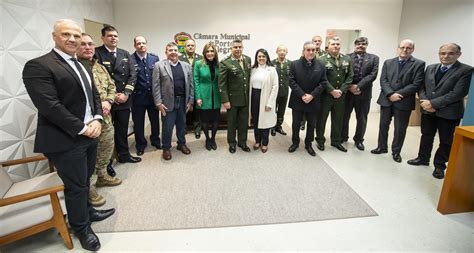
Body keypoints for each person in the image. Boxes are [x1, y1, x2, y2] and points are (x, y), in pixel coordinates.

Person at [22, 19, 115, 251]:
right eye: (66, 35)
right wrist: (83, 128)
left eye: (76, 35)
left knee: (85, 180)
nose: (72, 39)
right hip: (65, 139)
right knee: (75, 186)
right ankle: (81, 228)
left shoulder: (82, 64)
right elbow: (50, 106)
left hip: (90, 133)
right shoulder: (38, 66)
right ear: (55, 37)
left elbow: (93, 96)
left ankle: (88, 212)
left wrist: (96, 119)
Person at [407, 43, 473, 179]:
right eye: (443, 53)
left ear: (458, 54)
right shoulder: (431, 68)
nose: (446, 56)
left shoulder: (466, 70)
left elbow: (458, 93)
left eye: (450, 53)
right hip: (428, 110)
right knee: (426, 135)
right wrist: (425, 102)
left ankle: (440, 165)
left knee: (446, 140)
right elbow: (422, 87)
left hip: (449, 112)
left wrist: (433, 103)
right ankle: (423, 158)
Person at [77, 33, 122, 207]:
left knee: (106, 148)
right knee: (89, 157)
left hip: (106, 118)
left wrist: (109, 101)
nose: (88, 47)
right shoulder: (75, 68)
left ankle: (102, 175)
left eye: (90, 44)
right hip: (87, 124)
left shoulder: (99, 67)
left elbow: (112, 86)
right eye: (83, 44)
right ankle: (90, 187)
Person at [371, 39, 425, 163]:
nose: (405, 50)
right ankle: (381, 147)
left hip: (403, 101)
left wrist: (399, 94)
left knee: (400, 129)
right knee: (383, 125)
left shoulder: (419, 64)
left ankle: (396, 152)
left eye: (408, 48)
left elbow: (416, 84)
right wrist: (390, 94)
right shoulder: (388, 62)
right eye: (402, 47)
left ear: (413, 49)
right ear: (398, 48)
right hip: (387, 99)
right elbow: (383, 80)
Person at [95, 25, 140, 167]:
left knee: (122, 130)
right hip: (106, 102)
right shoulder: (96, 53)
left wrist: (126, 94)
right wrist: (112, 96)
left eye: (115, 36)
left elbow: (133, 75)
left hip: (124, 100)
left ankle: (124, 155)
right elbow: (96, 78)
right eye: (109, 36)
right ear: (103, 38)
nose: (113, 38)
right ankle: (107, 163)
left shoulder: (125, 53)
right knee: (106, 134)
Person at [152, 42, 194, 160]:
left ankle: (181, 144)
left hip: (183, 102)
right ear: (166, 52)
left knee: (182, 125)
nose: (173, 52)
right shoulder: (159, 65)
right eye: (170, 50)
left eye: (175, 50)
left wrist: (190, 101)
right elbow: (155, 86)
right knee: (167, 127)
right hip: (167, 103)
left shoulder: (186, 66)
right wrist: (158, 103)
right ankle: (166, 148)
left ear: (179, 52)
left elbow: (191, 85)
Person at [288, 41, 328, 156]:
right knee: (296, 123)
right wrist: (302, 95)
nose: (311, 52)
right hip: (298, 99)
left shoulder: (321, 65)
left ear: (316, 51)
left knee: (311, 124)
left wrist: (312, 95)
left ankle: (308, 144)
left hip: (313, 100)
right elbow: (291, 81)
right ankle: (295, 143)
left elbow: (323, 82)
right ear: (303, 51)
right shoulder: (294, 64)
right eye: (308, 50)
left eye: (313, 50)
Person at [316, 38, 354, 152]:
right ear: (328, 46)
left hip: (341, 96)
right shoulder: (321, 60)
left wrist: (341, 90)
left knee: (338, 119)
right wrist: (332, 90)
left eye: (338, 44)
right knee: (321, 119)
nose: (336, 46)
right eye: (333, 44)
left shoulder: (346, 59)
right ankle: (320, 140)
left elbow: (350, 76)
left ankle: (336, 141)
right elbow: (322, 78)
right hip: (326, 95)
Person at [342, 37, 380, 151]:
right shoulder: (346, 57)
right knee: (344, 116)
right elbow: (343, 73)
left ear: (367, 45)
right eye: (358, 43)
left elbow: (373, 75)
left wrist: (358, 86)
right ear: (355, 45)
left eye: (363, 44)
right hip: (348, 93)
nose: (361, 45)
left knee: (362, 118)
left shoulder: (374, 58)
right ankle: (343, 137)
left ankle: (359, 140)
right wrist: (350, 86)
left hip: (364, 93)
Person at [219, 39, 252, 153]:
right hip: (232, 100)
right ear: (231, 49)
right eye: (235, 47)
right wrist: (225, 100)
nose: (238, 49)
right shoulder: (225, 62)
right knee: (232, 123)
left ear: (242, 48)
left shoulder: (248, 59)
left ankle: (242, 142)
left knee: (243, 122)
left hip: (245, 98)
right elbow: (222, 84)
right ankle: (232, 143)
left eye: (240, 47)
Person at [131, 36, 161, 156]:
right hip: (137, 97)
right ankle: (140, 144)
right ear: (135, 45)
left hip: (152, 97)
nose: (141, 45)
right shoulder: (130, 59)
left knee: (155, 121)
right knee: (138, 122)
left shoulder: (154, 58)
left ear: (147, 44)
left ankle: (155, 140)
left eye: (143, 43)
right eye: (139, 43)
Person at [249, 49, 279, 153]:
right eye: (259, 57)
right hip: (254, 97)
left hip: (266, 97)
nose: (261, 58)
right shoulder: (253, 69)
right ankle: (257, 141)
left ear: (267, 58)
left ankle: (265, 143)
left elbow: (275, 87)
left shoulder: (272, 70)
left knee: (265, 121)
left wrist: (270, 103)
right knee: (256, 120)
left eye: (263, 56)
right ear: (256, 58)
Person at [194, 42, 221, 150]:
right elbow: (195, 81)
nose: (210, 53)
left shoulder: (219, 64)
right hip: (203, 95)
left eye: (212, 51)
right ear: (204, 53)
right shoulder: (198, 64)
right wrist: (198, 97)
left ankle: (213, 138)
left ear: (215, 52)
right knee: (204, 120)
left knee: (215, 120)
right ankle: (207, 139)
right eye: (207, 51)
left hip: (216, 95)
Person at [300, 35, 327, 131]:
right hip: (303, 92)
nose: (317, 42)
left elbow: (324, 80)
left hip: (316, 91)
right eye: (315, 41)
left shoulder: (324, 55)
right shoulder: (303, 56)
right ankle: (302, 122)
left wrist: (313, 94)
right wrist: (303, 94)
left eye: (319, 41)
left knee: (313, 118)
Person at [179, 39, 204, 139]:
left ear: (195, 46)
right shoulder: (180, 58)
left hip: (197, 87)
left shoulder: (201, 58)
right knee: (183, 109)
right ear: (185, 47)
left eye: (192, 45)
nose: (190, 47)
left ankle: (197, 129)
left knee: (198, 109)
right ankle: (183, 127)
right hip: (184, 87)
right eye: (188, 45)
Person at [270, 45, 291, 136]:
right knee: (273, 110)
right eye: (280, 50)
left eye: (284, 50)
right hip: (274, 92)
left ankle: (279, 126)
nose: (282, 52)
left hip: (284, 92)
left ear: (286, 52)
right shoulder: (271, 63)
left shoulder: (290, 64)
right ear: (276, 52)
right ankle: (272, 127)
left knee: (281, 111)